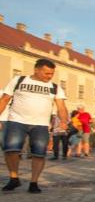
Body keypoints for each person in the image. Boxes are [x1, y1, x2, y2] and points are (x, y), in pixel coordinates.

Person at [0, 59, 69, 193]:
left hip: (41, 124)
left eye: (52, 74)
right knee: (11, 150)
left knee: (39, 154)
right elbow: (4, 99)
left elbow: (61, 106)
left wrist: (64, 121)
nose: (49, 76)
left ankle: (34, 182)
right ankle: (14, 177)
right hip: (17, 120)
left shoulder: (55, 87)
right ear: (36, 70)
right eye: (46, 73)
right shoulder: (19, 80)